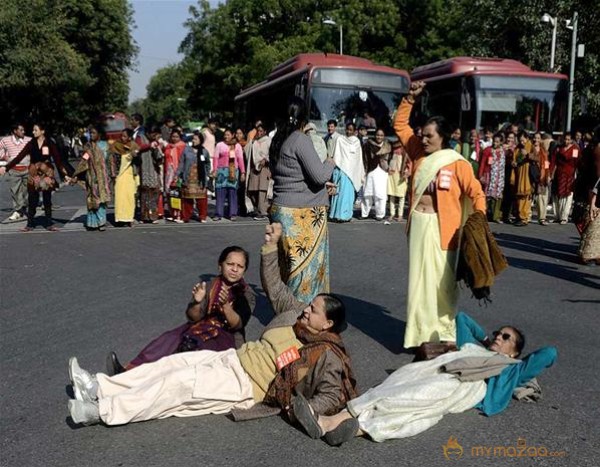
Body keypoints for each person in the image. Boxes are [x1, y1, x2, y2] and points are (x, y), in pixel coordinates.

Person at [67, 223, 356, 427]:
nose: (306, 309)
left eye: (313, 310)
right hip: (231, 359)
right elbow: (275, 286)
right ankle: (98, 387)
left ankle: (101, 410)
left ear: (328, 323)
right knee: (170, 366)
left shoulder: (326, 352)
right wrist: (270, 246)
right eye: (309, 305)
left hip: (244, 384)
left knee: (178, 386)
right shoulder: (293, 313)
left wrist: (301, 409)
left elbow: (333, 394)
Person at [293, 311, 557, 445]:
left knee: (411, 402)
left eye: (506, 337)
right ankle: (357, 428)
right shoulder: (473, 347)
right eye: (498, 332)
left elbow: (549, 353)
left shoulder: (510, 367)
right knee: (396, 389)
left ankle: (332, 421)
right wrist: (486, 339)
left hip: (466, 385)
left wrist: (516, 361)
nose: (499, 337)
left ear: (515, 350)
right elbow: (462, 319)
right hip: (437, 367)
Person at [393, 81, 486, 349]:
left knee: (442, 285)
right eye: (422, 135)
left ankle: (443, 335)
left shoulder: (457, 164)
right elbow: (400, 126)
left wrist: (478, 224)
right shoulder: (418, 153)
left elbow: (477, 193)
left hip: (445, 230)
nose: (423, 139)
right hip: (419, 227)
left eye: (429, 136)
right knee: (418, 283)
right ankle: (418, 335)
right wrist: (410, 99)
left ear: (443, 137)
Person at [106, 246, 255, 374]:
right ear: (220, 266)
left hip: (225, 336)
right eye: (230, 264)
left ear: (244, 270)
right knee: (168, 340)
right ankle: (129, 372)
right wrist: (196, 302)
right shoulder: (209, 286)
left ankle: (151, 383)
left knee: (193, 351)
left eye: (240, 266)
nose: (234, 269)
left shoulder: (245, 294)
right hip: (200, 327)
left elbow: (238, 324)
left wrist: (225, 307)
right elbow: (193, 317)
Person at [269, 97, 337, 303]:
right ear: (304, 119)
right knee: (305, 270)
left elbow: (290, 175)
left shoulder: (278, 140)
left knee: (288, 266)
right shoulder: (300, 139)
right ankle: (301, 314)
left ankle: (286, 309)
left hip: (281, 208)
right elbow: (319, 175)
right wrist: (330, 162)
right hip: (302, 212)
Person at [0, 122, 71, 231]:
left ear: (42, 131)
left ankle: (49, 223)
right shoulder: (31, 143)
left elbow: (58, 160)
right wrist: (7, 167)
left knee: (47, 199)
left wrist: (64, 175)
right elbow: (19, 157)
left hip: (47, 172)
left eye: (35, 130)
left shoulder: (49, 143)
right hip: (34, 173)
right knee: (32, 198)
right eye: (33, 130)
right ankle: (30, 224)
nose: (33, 132)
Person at [70, 126, 111, 231]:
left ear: (99, 134)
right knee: (92, 198)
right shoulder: (88, 147)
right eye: (90, 133)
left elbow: (110, 161)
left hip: (103, 177)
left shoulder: (105, 146)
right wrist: (76, 175)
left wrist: (112, 174)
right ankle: (92, 223)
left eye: (93, 133)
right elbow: (84, 163)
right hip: (91, 177)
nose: (91, 135)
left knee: (101, 200)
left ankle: (101, 222)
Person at [329, 123, 364, 223]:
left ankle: (345, 215)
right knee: (339, 193)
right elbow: (337, 154)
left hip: (351, 173)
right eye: (347, 129)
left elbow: (358, 159)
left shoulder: (356, 142)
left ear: (354, 131)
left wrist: (357, 171)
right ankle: (336, 214)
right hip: (341, 170)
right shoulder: (340, 139)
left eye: (351, 130)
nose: (348, 131)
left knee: (347, 195)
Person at [575, 128, 600, 265]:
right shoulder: (596, 149)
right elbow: (597, 173)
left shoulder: (592, 148)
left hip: (591, 187)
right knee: (593, 222)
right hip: (594, 188)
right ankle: (589, 254)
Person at [212, 128, 246, 221]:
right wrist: (214, 170)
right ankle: (218, 213)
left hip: (233, 171)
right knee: (220, 192)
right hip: (221, 172)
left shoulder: (237, 146)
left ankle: (232, 213)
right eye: (225, 135)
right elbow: (215, 158)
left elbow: (240, 160)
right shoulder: (219, 145)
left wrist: (243, 172)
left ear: (232, 135)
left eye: (228, 135)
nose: (226, 137)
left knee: (232, 193)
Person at [0, 123, 31, 222]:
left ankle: (24, 207)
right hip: (13, 169)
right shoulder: (5, 140)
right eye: (21, 130)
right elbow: (0, 149)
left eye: (23, 130)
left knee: (27, 190)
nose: (23, 132)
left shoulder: (28, 140)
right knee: (15, 191)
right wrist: (5, 157)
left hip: (27, 168)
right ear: (15, 131)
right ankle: (18, 210)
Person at [177, 132, 210, 223]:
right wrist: (178, 174)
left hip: (200, 179)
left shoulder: (204, 151)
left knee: (202, 199)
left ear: (200, 140)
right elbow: (181, 163)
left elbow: (207, 163)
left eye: (195, 139)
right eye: (193, 139)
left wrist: (206, 173)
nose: (193, 141)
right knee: (187, 199)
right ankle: (186, 217)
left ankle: (202, 216)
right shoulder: (187, 150)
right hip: (189, 178)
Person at [361, 128, 391, 221]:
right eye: (378, 135)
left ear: (384, 136)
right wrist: (364, 171)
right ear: (375, 135)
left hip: (382, 172)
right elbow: (364, 158)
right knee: (367, 193)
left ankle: (380, 214)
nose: (379, 137)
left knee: (380, 194)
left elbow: (391, 159)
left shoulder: (388, 146)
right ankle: (364, 213)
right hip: (371, 171)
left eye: (381, 135)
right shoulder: (368, 145)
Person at [111, 129, 139, 227]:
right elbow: (112, 160)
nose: (122, 138)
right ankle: (119, 218)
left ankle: (129, 218)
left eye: (125, 136)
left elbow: (137, 156)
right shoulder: (116, 145)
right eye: (122, 136)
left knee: (130, 197)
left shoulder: (133, 145)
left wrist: (132, 152)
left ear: (130, 137)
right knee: (119, 197)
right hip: (119, 175)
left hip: (129, 175)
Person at [136, 127, 163, 223]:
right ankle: (144, 217)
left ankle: (153, 216)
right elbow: (137, 148)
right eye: (152, 134)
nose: (154, 136)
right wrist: (148, 146)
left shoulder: (155, 142)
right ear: (148, 133)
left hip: (154, 171)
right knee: (144, 194)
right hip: (143, 170)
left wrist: (156, 149)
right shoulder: (140, 138)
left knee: (154, 193)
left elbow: (159, 158)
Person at [478, 133, 506, 223]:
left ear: (501, 142)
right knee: (487, 195)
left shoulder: (503, 151)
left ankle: (496, 216)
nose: (495, 143)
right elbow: (482, 163)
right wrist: (481, 175)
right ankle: (484, 214)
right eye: (494, 141)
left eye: (498, 142)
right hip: (489, 175)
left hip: (500, 176)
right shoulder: (488, 150)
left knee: (498, 196)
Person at [552, 132, 579, 224]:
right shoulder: (558, 148)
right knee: (557, 194)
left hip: (570, 174)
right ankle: (557, 216)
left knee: (567, 195)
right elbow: (553, 160)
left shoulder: (575, 149)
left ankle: (564, 216)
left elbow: (576, 162)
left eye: (568, 139)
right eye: (565, 139)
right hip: (559, 173)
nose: (566, 141)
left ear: (571, 140)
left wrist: (575, 173)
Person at [246, 124, 272, 220]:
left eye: (261, 131)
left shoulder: (269, 141)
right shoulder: (255, 142)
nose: (259, 133)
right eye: (258, 131)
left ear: (265, 132)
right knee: (252, 190)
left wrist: (266, 159)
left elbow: (272, 154)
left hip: (264, 168)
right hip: (254, 168)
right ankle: (257, 208)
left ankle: (263, 211)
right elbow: (249, 154)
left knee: (262, 190)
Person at [163, 129, 186, 222]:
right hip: (168, 172)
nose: (174, 138)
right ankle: (172, 213)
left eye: (176, 137)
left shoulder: (183, 146)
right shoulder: (168, 146)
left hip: (178, 172)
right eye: (173, 136)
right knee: (170, 193)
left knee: (178, 193)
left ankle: (179, 214)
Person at [513, 131, 534, 226]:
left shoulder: (530, 146)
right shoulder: (517, 148)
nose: (522, 142)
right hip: (519, 174)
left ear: (527, 138)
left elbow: (537, 158)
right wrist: (513, 163)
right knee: (519, 196)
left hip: (527, 175)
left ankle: (524, 218)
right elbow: (515, 159)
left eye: (523, 140)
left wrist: (528, 154)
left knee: (525, 196)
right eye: (520, 140)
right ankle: (519, 216)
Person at [385, 140, 410, 224]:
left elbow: (409, 162)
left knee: (401, 196)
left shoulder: (405, 149)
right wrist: (388, 169)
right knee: (391, 194)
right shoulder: (391, 148)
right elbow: (388, 160)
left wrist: (407, 173)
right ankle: (392, 213)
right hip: (392, 174)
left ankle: (400, 214)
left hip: (401, 174)